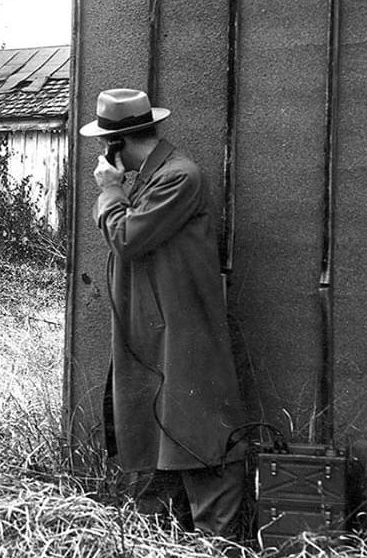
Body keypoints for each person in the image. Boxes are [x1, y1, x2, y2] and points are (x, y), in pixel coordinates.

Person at [80, 88, 247, 536]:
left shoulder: (179, 177)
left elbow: (129, 238)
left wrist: (110, 193)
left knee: (201, 431)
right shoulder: (154, 179)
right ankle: (174, 535)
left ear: (119, 143)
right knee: (162, 430)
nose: (101, 152)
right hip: (155, 330)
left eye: (104, 142)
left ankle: (218, 541)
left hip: (182, 328)